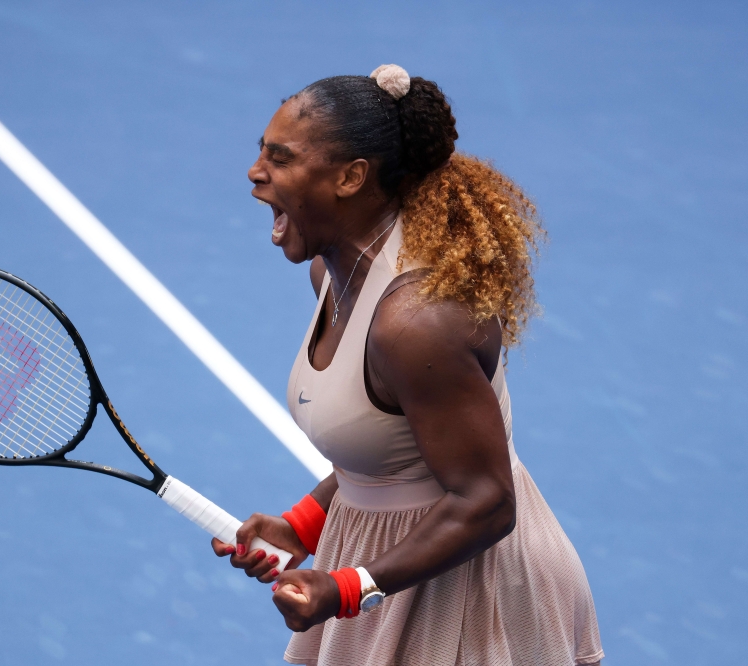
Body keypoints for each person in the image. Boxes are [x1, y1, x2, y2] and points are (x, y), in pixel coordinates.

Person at [211, 65, 604, 666]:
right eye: (262, 151)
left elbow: (486, 501)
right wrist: (304, 525)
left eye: (281, 158)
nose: (255, 172)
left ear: (351, 177)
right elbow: (391, 449)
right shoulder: (331, 275)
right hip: (392, 570)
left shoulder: (414, 325)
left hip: (473, 596)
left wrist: (348, 587)